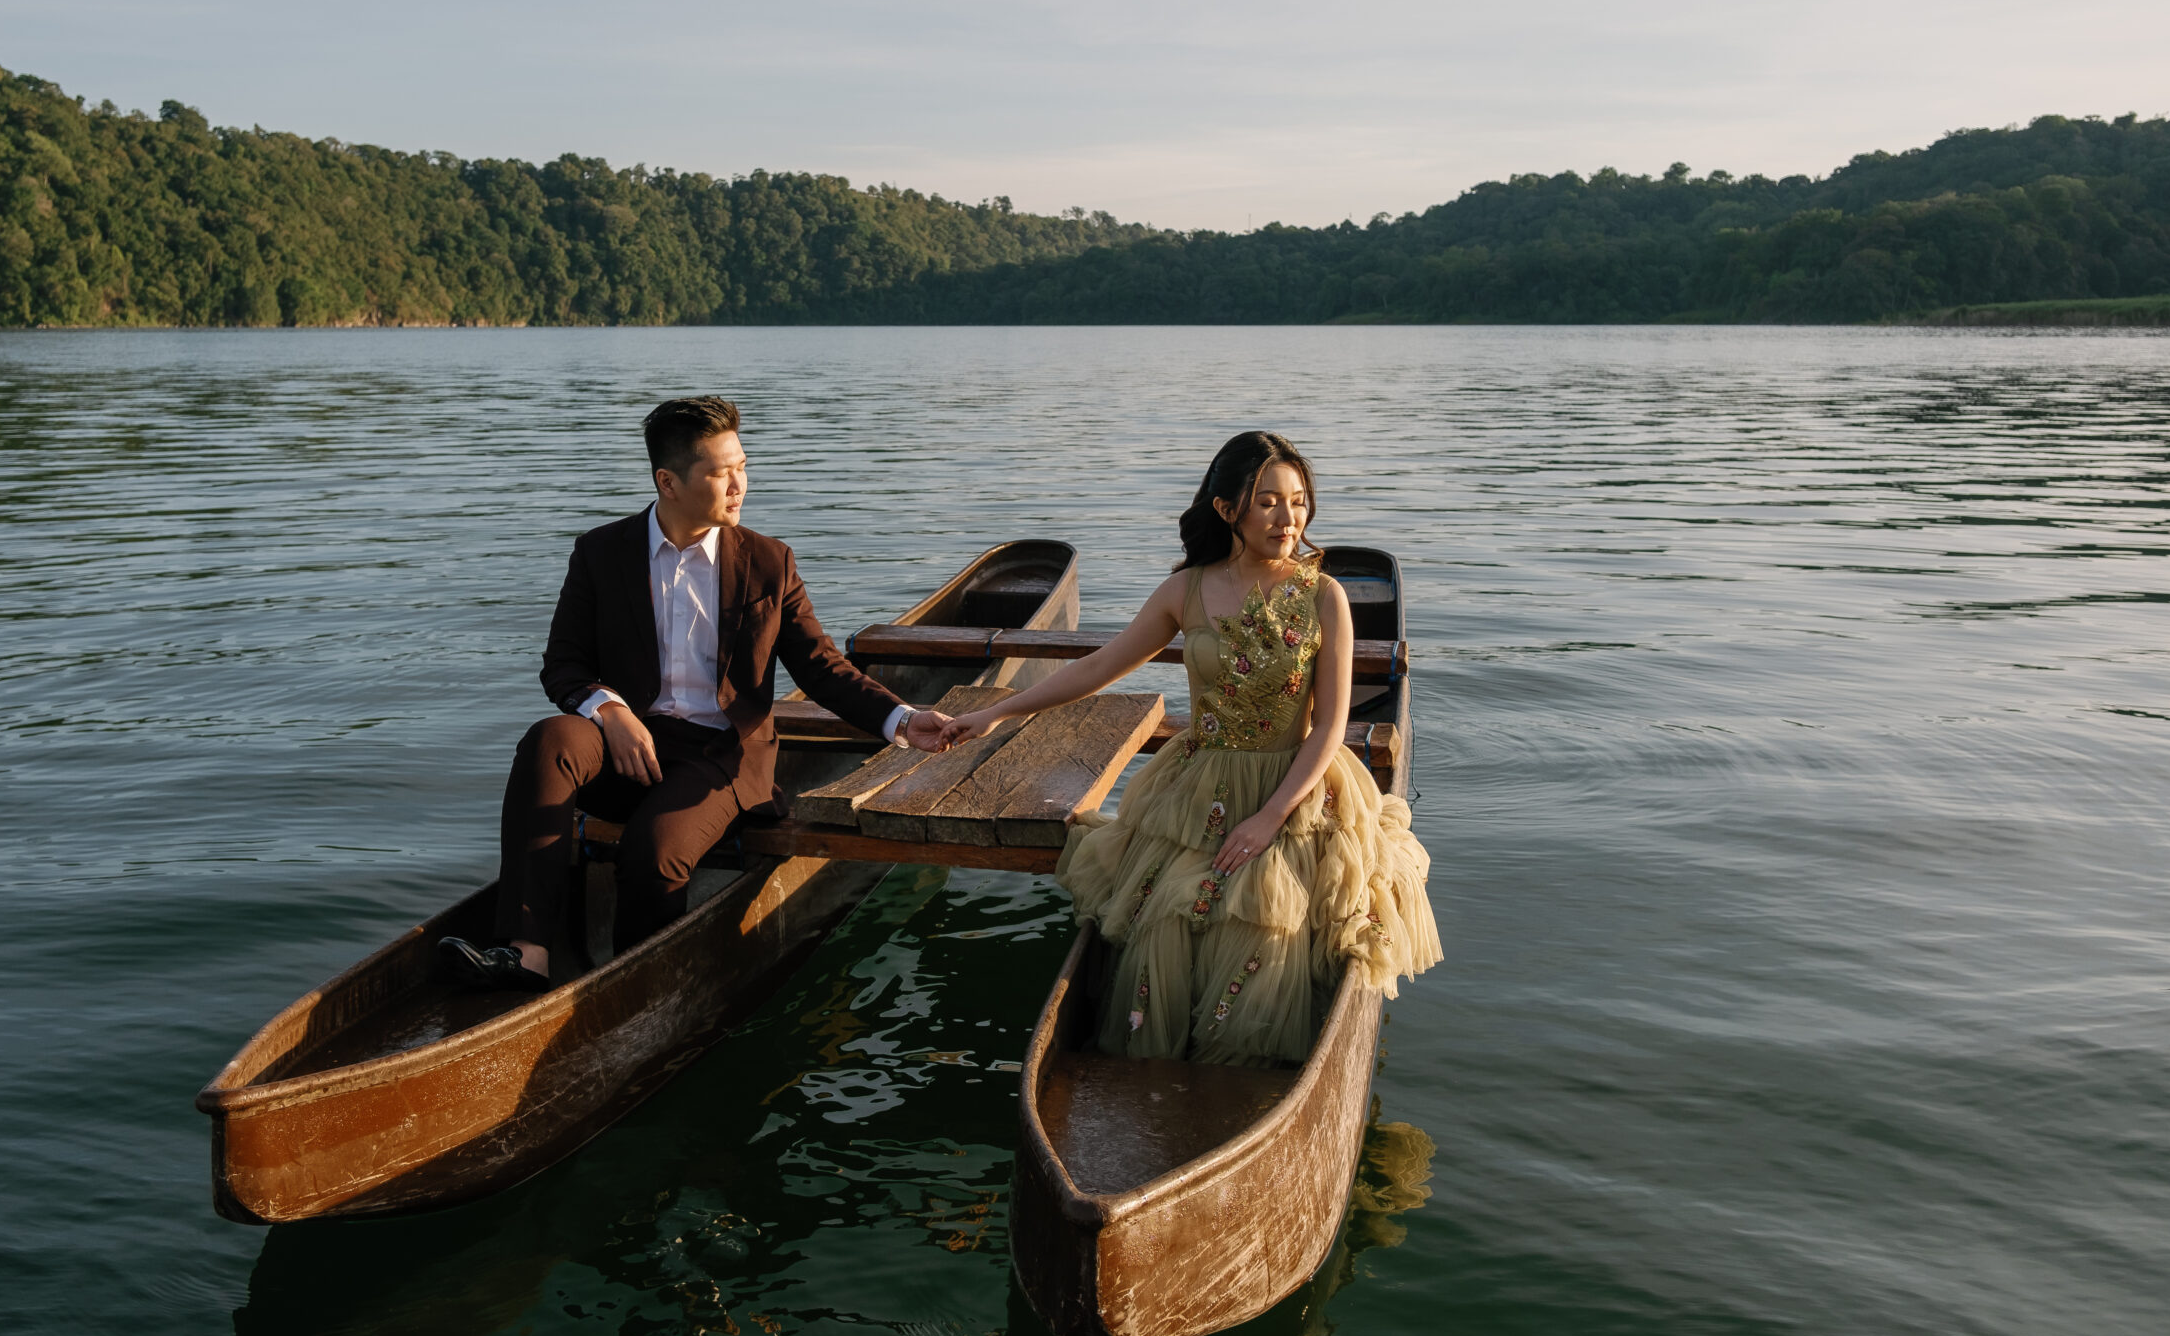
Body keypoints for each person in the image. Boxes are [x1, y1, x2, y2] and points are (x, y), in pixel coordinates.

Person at [939, 431, 1440, 1067]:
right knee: (1166, 919)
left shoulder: (1324, 596)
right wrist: (995, 711)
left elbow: (1329, 726)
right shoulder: (1187, 591)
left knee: (1267, 926)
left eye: (1298, 502)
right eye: (1267, 502)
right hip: (1197, 789)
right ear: (1227, 509)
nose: (1288, 520)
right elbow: (1099, 667)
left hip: (1297, 789)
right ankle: (1148, 1072)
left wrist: (1268, 819)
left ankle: (1260, 1079)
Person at [438, 396, 954, 993]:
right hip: (631, 746)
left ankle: (634, 994)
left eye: (742, 466)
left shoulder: (768, 562)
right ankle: (527, 955)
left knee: (653, 849)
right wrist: (611, 712)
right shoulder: (601, 553)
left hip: (722, 755)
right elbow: (563, 666)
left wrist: (902, 718)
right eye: (719, 472)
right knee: (550, 740)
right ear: (669, 481)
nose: (739, 484)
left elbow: (820, 666)